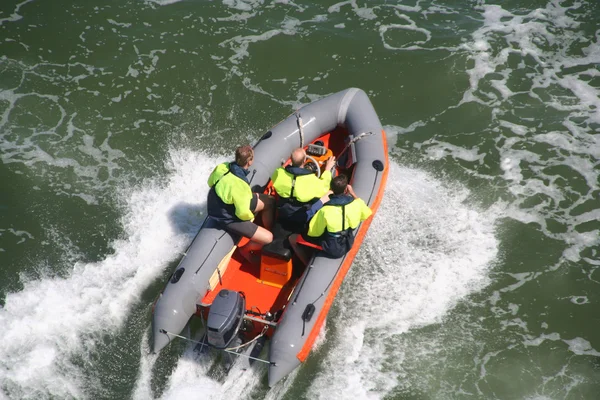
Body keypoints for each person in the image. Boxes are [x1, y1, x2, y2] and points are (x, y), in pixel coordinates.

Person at [207, 145, 275, 259]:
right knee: (269, 238)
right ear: (249, 161)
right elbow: (242, 213)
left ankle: (269, 228)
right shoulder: (240, 185)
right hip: (228, 216)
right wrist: (251, 218)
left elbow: (210, 182)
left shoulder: (222, 167)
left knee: (269, 201)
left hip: (224, 202)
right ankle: (244, 250)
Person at [291, 174, 372, 263]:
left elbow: (314, 233)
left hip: (333, 247)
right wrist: (352, 193)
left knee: (292, 238)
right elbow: (366, 213)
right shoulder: (356, 204)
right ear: (346, 189)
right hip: (348, 241)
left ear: (331, 189)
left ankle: (305, 262)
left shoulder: (325, 210)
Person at [271, 147, 336, 232]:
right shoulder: (312, 180)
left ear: (290, 159)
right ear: (305, 159)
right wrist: (327, 169)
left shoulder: (279, 173)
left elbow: (279, 173)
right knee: (329, 193)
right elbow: (325, 187)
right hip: (301, 215)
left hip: (283, 210)